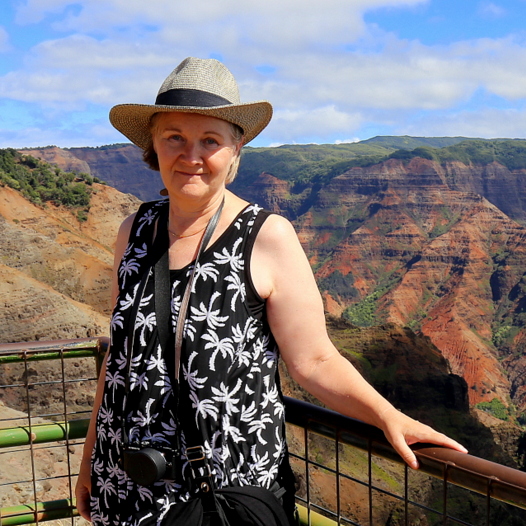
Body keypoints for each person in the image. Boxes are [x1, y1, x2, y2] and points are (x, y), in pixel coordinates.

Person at [75, 57, 467, 525]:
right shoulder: (133, 231)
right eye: (174, 137)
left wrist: (388, 416)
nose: (191, 155)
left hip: (220, 494)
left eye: (210, 141)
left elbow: (316, 360)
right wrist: (89, 460)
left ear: (235, 151)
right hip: (126, 480)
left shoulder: (266, 236)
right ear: (153, 146)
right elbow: (123, 358)